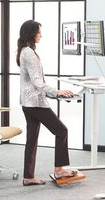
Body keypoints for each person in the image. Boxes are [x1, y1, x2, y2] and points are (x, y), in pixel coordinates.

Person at [16, 20, 78, 186]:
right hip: (35, 103)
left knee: (32, 139)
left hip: (27, 102)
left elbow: (32, 81)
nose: (41, 35)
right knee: (61, 131)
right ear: (31, 33)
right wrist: (57, 92)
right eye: (39, 32)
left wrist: (53, 94)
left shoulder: (24, 51)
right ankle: (59, 170)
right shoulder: (29, 53)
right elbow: (37, 82)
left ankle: (28, 177)